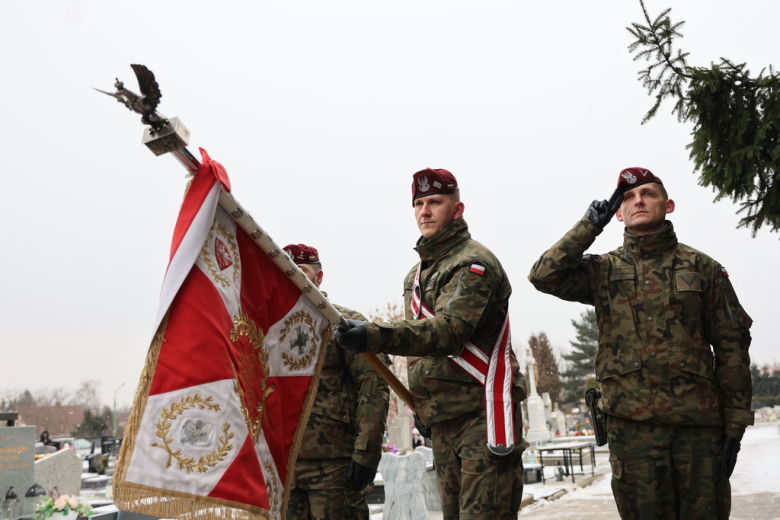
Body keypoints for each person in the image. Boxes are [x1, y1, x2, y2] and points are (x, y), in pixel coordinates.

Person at [528, 168, 753, 519]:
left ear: (669, 204)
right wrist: (589, 225)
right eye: (629, 198)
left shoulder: (703, 268)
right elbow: (543, 275)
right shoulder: (602, 270)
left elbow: (732, 347)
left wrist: (735, 427)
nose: (639, 201)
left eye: (648, 193)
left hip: (697, 432)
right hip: (632, 435)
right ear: (619, 212)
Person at [335, 168, 528, 519]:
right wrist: (423, 405)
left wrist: (373, 335)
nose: (424, 210)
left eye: (435, 202)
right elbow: (422, 354)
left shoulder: (474, 263)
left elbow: (448, 333)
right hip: (442, 420)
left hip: (481, 417)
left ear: (458, 209)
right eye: (419, 203)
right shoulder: (417, 274)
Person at [283, 243, 390, 520]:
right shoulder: (271, 329)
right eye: (286, 271)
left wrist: (366, 453)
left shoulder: (346, 324)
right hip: (283, 465)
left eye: (301, 271)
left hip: (333, 467)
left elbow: (373, 388)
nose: (292, 276)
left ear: (318, 278)